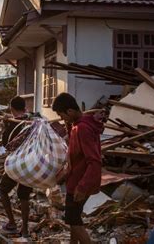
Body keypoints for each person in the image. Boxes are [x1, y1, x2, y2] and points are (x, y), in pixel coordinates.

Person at [51, 93, 103, 244]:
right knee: (73, 220)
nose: (62, 119)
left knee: (74, 221)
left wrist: (82, 186)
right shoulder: (77, 125)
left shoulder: (83, 129)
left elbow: (94, 161)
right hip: (75, 182)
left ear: (70, 111)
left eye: (62, 115)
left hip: (79, 184)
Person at [0, 96, 32, 238]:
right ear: (24, 107)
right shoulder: (32, 120)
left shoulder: (14, 124)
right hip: (31, 164)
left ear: (11, 109)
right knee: (24, 196)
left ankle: (12, 222)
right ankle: (25, 229)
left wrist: (4, 127)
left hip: (16, 164)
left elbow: (6, 144)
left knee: (2, 190)